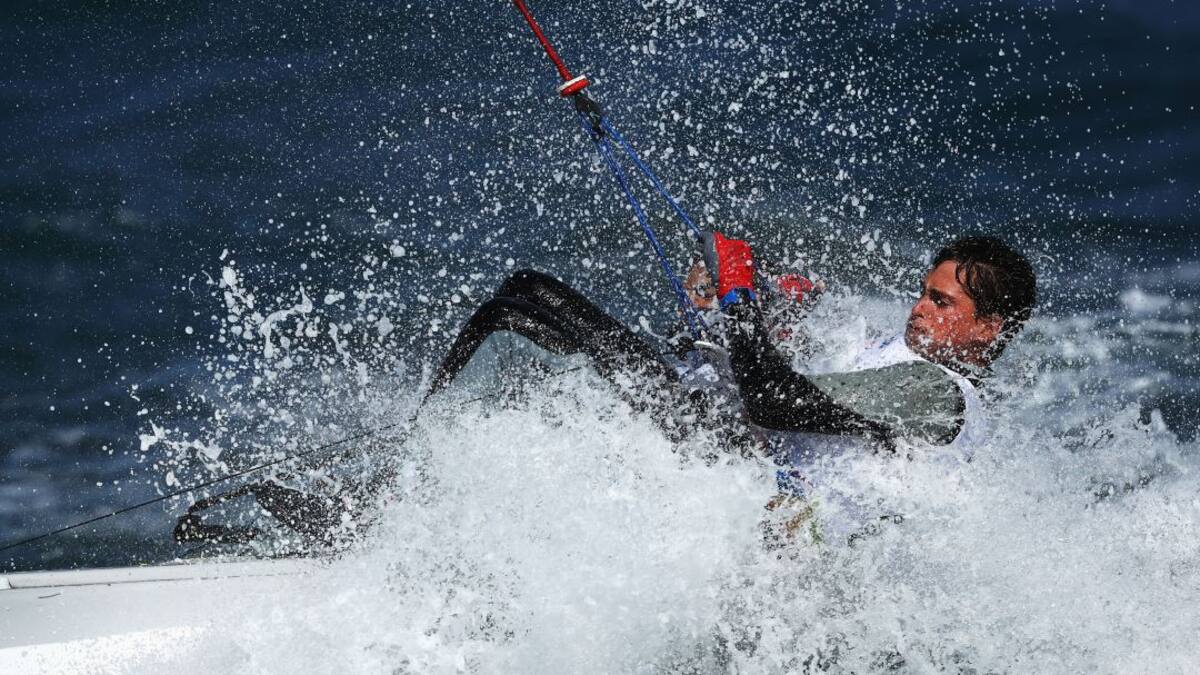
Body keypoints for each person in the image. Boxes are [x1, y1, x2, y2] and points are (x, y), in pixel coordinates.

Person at [429, 233, 1036, 537]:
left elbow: (771, 399)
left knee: (527, 297)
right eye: (922, 292)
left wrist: (740, 300)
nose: (918, 308)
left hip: (747, 495)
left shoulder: (939, 393)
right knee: (527, 292)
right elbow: (803, 380)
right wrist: (764, 304)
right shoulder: (899, 354)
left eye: (939, 301)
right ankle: (428, 426)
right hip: (731, 457)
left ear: (988, 327)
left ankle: (423, 446)